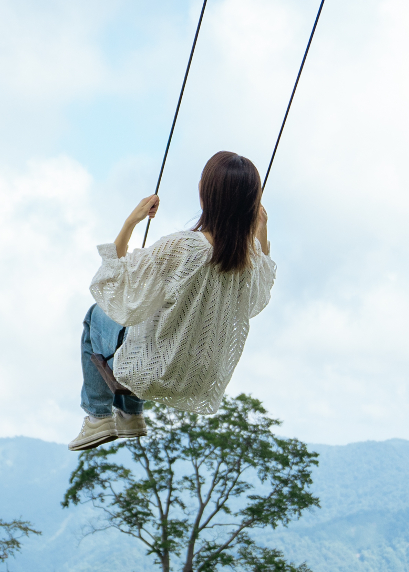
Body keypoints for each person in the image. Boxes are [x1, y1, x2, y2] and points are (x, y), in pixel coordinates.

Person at [70, 151, 275, 451]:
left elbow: (116, 286)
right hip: (200, 377)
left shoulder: (183, 247)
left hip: (154, 369)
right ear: (252, 203)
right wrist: (261, 229)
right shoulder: (251, 259)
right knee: (156, 315)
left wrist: (131, 222)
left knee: (97, 314)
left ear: (206, 194)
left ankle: (99, 417)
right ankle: (129, 416)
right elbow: (260, 293)